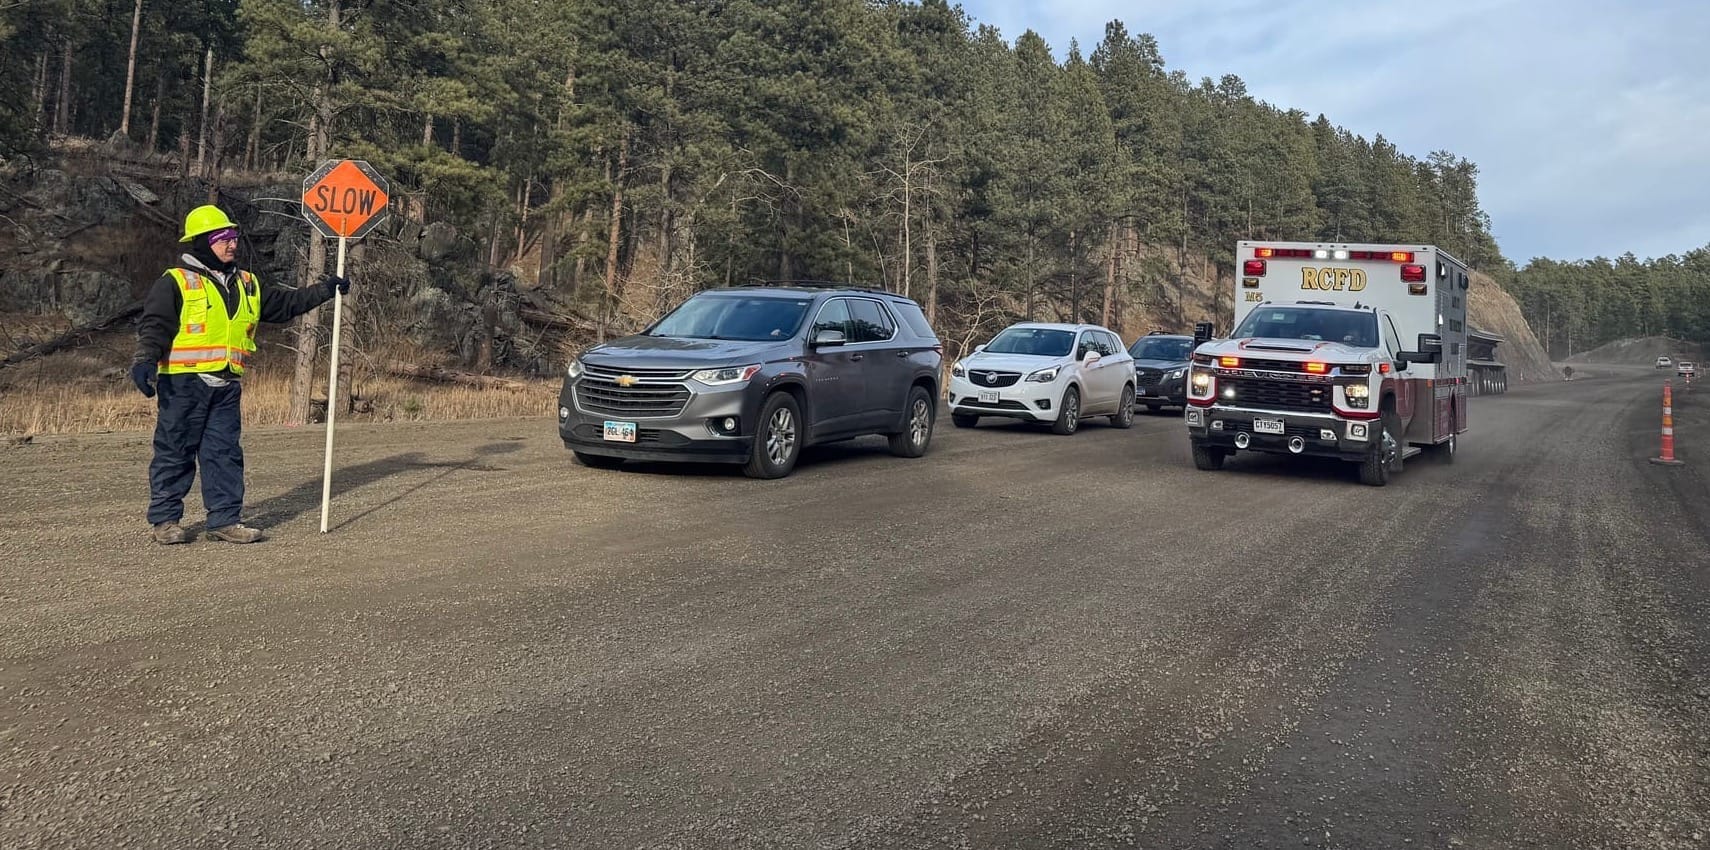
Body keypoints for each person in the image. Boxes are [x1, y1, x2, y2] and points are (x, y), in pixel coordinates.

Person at [130, 205, 352, 545]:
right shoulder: (175, 281)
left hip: (226, 386)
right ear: (202, 242)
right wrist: (145, 359)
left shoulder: (248, 283)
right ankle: (166, 521)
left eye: (233, 237)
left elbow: (283, 306)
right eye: (222, 238)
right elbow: (155, 326)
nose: (231, 244)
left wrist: (324, 291)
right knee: (174, 453)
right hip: (183, 384)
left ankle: (224, 520)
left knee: (225, 455)